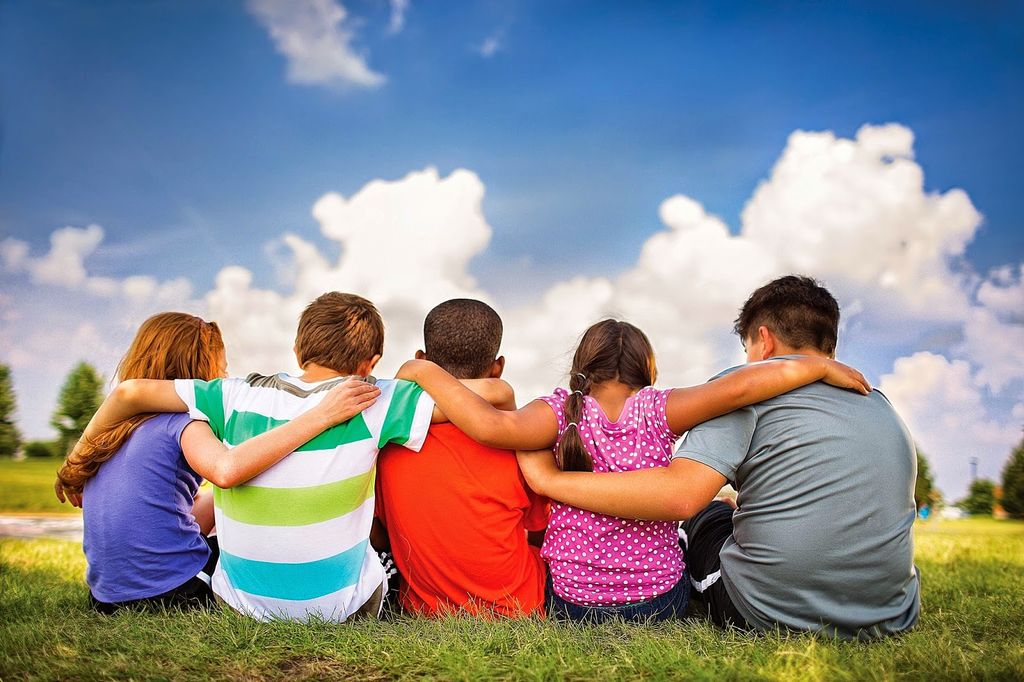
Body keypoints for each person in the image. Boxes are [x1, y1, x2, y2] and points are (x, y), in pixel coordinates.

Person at [517, 275, 921, 640]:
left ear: (764, 341)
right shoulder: (879, 403)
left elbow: (679, 497)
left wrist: (551, 480)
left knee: (705, 514)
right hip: (890, 609)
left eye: (747, 349)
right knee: (721, 508)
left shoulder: (743, 392)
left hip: (770, 610)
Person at [395, 316, 869, 623]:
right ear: (647, 368)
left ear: (583, 366)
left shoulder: (559, 412)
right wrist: (815, 367)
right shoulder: (658, 409)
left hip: (573, 603)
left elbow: (490, 426)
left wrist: (423, 371)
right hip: (657, 601)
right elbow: (740, 389)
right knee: (700, 526)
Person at [61, 293, 452, 622]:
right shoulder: (185, 422)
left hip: (140, 595)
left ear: (298, 352)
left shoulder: (139, 426)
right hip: (195, 594)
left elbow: (128, 396)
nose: (223, 373)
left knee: (230, 519)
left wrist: (74, 465)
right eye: (219, 366)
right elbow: (226, 470)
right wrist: (324, 414)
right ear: (372, 361)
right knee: (378, 553)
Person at [375, 299, 548, 618]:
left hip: (424, 608)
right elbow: (540, 529)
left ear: (421, 359)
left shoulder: (387, 443)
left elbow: (380, 533)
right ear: (497, 368)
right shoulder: (517, 439)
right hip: (521, 604)